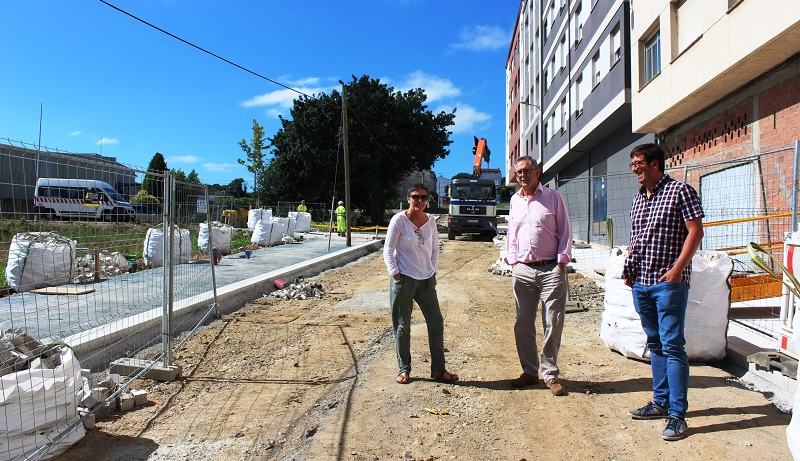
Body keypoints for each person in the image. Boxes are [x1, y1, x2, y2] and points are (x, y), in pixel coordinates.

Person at [622, 143, 704, 441]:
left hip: (668, 282)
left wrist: (678, 269)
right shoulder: (639, 199)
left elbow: (695, 231)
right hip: (641, 282)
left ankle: (678, 415)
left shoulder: (680, 191)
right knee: (655, 344)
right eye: (632, 164)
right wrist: (631, 266)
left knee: (672, 346)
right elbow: (638, 238)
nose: (635, 168)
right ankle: (660, 402)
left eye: (639, 163)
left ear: (655, 163)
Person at [504, 156, 572, 396]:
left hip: (551, 268)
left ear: (537, 172)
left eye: (526, 170)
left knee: (552, 322)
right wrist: (512, 259)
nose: (522, 175)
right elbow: (513, 231)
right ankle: (530, 371)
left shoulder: (553, 197)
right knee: (523, 323)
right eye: (518, 172)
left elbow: (565, 229)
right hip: (522, 269)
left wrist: (562, 261)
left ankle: (550, 374)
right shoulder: (515, 200)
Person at [383, 184, 458, 385]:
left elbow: (435, 248)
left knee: (436, 323)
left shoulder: (431, 221)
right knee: (402, 325)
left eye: (424, 197)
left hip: (426, 280)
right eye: (416, 196)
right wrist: (395, 274)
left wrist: (432, 269)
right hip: (404, 278)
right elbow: (388, 249)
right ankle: (404, 368)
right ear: (408, 198)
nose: (420, 201)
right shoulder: (399, 220)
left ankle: (439, 370)